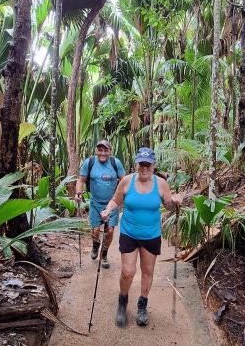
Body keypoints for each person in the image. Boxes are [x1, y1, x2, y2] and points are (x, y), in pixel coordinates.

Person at [100, 147, 182, 327]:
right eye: (141, 164)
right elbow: (116, 200)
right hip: (129, 232)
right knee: (128, 272)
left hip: (151, 235)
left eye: (148, 164)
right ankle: (122, 301)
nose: (144, 168)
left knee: (148, 271)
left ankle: (142, 304)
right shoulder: (127, 181)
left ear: (153, 165)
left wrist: (174, 202)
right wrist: (108, 210)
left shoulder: (161, 183)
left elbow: (168, 205)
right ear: (137, 163)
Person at [75, 140, 125, 269]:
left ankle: (104, 255)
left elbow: (124, 180)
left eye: (105, 150)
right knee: (95, 232)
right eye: (100, 150)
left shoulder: (115, 163)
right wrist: (78, 193)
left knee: (109, 232)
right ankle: (96, 245)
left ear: (110, 151)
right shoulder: (89, 162)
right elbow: (81, 180)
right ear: (96, 150)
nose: (102, 153)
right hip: (95, 203)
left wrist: (124, 197)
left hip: (112, 203)